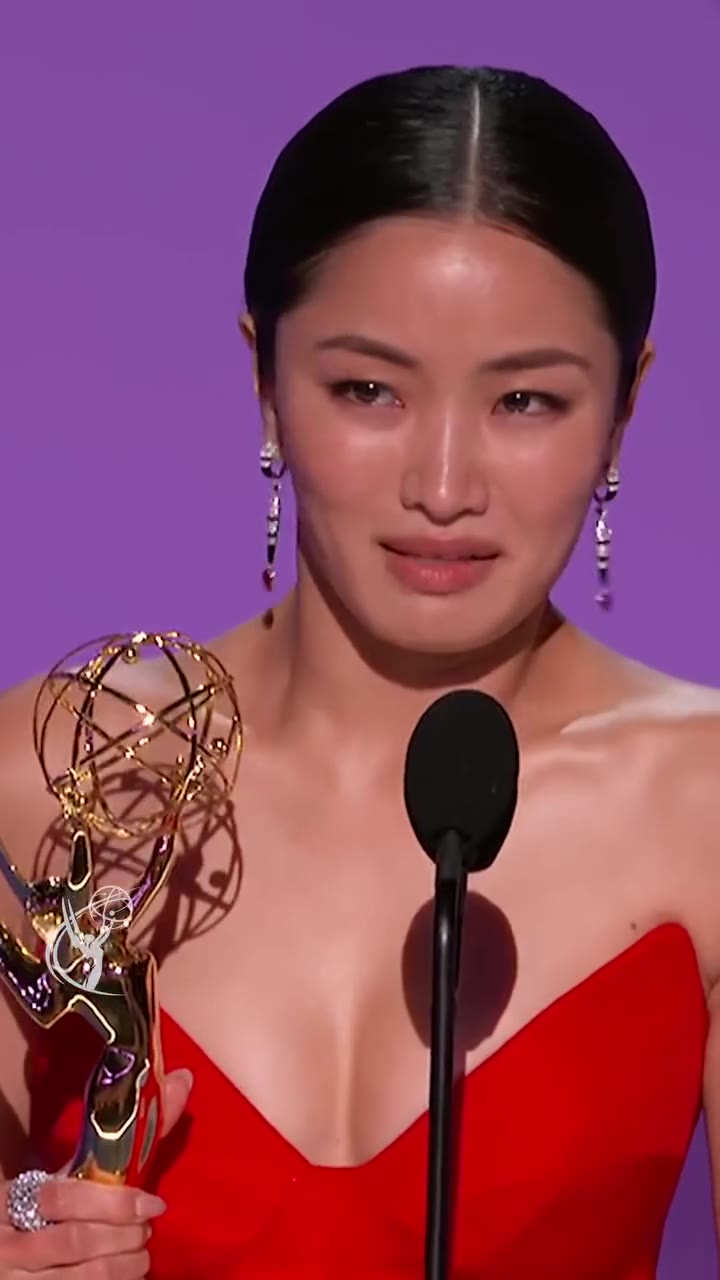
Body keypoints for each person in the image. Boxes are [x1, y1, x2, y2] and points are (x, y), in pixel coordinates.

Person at [0, 61, 718, 1279]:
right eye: (368, 388)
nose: (443, 485)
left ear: (624, 409)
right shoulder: (47, 779)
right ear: (265, 381)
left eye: (526, 400)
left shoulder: (702, 805)